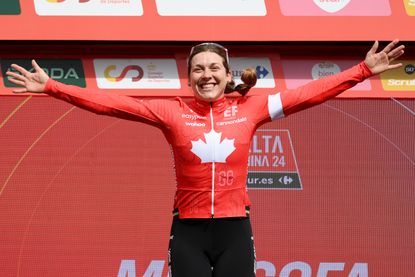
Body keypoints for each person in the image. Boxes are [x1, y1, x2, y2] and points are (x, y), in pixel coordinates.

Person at [6, 40, 404, 277]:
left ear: (227, 72)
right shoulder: (172, 111)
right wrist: (54, 87)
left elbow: (308, 94)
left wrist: (363, 69)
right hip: (189, 234)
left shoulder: (251, 108)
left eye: (214, 67)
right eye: (198, 69)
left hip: (234, 231)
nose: (207, 75)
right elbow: (112, 104)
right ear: (189, 75)